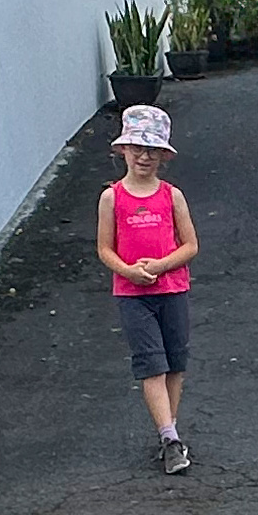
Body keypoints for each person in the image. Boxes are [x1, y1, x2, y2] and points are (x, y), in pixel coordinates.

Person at [96, 103, 200, 474]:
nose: (144, 156)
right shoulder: (113, 198)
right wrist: (128, 270)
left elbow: (190, 245)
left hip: (172, 290)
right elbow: (104, 248)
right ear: (122, 150)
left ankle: (169, 432)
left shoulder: (171, 196)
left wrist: (159, 266)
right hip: (133, 295)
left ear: (163, 155)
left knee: (174, 362)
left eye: (152, 150)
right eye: (137, 148)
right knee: (150, 363)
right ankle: (170, 437)